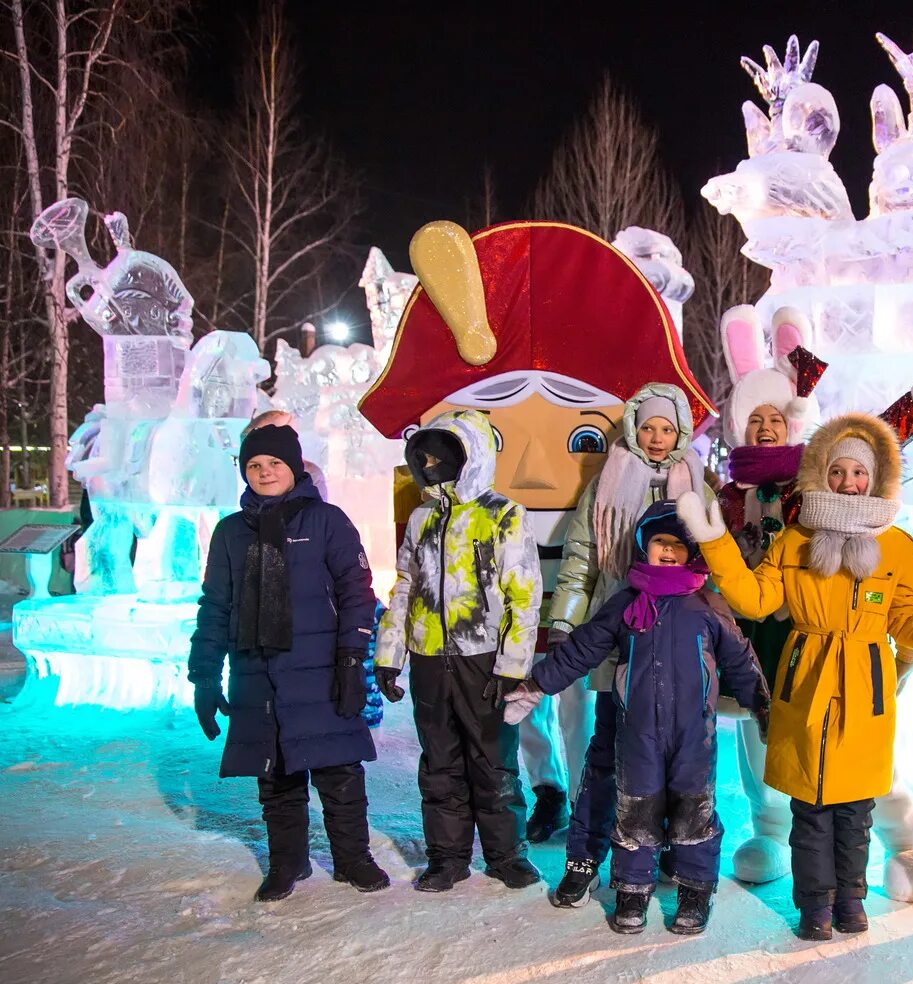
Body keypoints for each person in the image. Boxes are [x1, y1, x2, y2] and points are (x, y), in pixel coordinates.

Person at [357, 219, 719, 851]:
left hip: (588, 608)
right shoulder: (470, 505)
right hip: (504, 607)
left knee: (579, 704)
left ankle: (586, 798)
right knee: (520, 702)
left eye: (582, 434)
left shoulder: (631, 475)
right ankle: (544, 787)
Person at [678, 413, 913, 940]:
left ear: (876, 478)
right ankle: (814, 906)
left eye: (859, 473)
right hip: (805, 679)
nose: (848, 483)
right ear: (820, 476)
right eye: (837, 472)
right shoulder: (794, 541)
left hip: (866, 689)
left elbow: (910, 623)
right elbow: (755, 599)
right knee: (808, 808)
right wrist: (715, 541)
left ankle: (850, 902)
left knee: (854, 808)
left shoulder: (897, 547)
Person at [713, 303, 913, 897]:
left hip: (832, 637)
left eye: (775, 416)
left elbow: (872, 443)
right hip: (755, 643)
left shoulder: (816, 479)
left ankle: (906, 844)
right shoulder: (726, 494)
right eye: (754, 419)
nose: (766, 428)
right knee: (763, 753)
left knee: (864, 760)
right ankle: (772, 834)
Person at [511, 502, 770, 934]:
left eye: (677, 545)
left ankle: (695, 891)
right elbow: (582, 648)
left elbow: (741, 659)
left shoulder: (706, 606)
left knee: (695, 812)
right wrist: (536, 685)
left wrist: (761, 705)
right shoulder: (626, 603)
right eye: (659, 543)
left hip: (693, 737)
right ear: (643, 547)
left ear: (692, 553)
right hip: (638, 734)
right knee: (636, 811)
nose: (667, 552)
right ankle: (632, 891)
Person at [188, 423, 388, 902]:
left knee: (339, 771)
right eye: (254, 465)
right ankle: (287, 862)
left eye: (273, 464)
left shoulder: (327, 521)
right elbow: (215, 604)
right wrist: (204, 676)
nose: (264, 472)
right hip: (258, 673)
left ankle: (353, 858)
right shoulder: (232, 532)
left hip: (321, 669)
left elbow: (357, 593)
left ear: (293, 467)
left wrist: (350, 658)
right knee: (274, 774)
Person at [543, 383, 717, 908]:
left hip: (679, 645)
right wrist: (563, 622)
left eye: (667, 429)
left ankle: (668, 852)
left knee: (682, 762)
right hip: (619, 634)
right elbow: (582, 556)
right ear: (634, 429)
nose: (658, 438)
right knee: (607, 756)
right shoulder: (608, 480)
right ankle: (584, 858)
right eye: (649, 427)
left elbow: (716, 561)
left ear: (681, 431)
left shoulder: (697, 486)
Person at [374, 409, 542, 893]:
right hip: (430, 659)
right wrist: (390, 653)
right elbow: (404, 587)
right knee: (440, 761)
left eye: (441, 455)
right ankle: (446, 857)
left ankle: (506, 854)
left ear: (468, 457)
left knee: (493, 760)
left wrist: (513, 666)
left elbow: (524, 595)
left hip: (483, 659)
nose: (430, 465)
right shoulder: (423, 517)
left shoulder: (502, 514)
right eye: (423, 457)